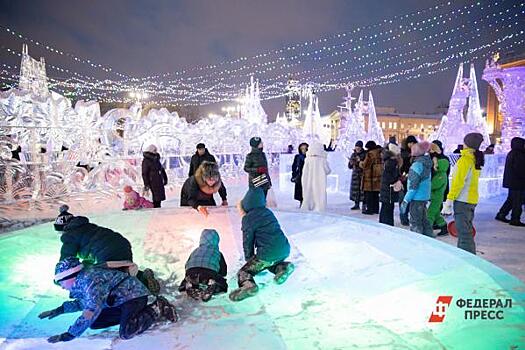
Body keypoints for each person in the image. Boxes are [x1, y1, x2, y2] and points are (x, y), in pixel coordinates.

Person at [39, 257, 176, 343]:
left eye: (61, 282)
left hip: (133, 296)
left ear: (69, 277)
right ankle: (129, 317)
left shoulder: (89, 281)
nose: (61, 286)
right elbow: (84, 303)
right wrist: (60, 310)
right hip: (119, 300)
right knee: (94, 324)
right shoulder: (82, 280)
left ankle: (158, 307)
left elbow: (90, 310)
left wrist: (69, 334)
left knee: (126, 332)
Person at [54, 205, 160, 294]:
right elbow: (92, 247)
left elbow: (66, 259)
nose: (61, 235)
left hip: (107, 252)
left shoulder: (70, 236)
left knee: (111, 280)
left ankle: (140, 288)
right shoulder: (86, 227)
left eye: (60, 232)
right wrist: (85, 265)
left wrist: (60, 277)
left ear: (64, 228)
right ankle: (143, 277)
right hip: (121, 243)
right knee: (121, 270)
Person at [229, 188, 294, 302]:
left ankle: (248, 285)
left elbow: (247, 240)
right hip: (284, 249)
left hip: (267, 253)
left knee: (244, 272)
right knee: (269, 262)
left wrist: (249, 258)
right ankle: (282, 267)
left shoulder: (248, 218)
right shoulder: (268, 212)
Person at [442, 133, 485, 254]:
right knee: (466, 231)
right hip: (471, 200)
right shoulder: (475, 159)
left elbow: (457, 184)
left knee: (464, 234)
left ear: (467, 144)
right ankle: (465, 257)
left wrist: (449, 201)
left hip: (462, 201)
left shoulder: (465, 160)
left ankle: (468, 260)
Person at [178, 229, 228, 302]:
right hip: (209, 272)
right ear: (216, 241)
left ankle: (187, 285)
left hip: (191, 271)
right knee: (223, 284)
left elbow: (187, 265)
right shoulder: (217, 253)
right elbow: (224, 272)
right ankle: (212, 285)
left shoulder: (195, 251)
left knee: (191, 278)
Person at [400, 141, 434, 237]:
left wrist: (406, 200)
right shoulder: (426, 163)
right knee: (424, 220)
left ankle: (417, 242)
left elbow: (413, 186)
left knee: (415, 222)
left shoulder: (416, 166)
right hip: (424, 196)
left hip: (416, 197)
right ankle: (429, 239)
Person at [495, 137, 525, 226]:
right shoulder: (519, 154)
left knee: (512, 199)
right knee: (517, 201)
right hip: (517, 182)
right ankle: (515, 219)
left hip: (512, 181)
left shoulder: (513, 153)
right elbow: (520, 169)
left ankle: (501, 214)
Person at [427, 141, 451, 236]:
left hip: (436, 196)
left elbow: (434, 185)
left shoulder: (441, 175)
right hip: (435, 196)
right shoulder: (440, 173)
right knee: (436, 214)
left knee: (430, 213)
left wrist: (427, 186)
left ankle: (427, 229)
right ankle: (444, 227)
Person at [301, 142, 331, 212]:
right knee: (319, 194)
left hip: (308, 180)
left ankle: (308, 206)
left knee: (308, 193)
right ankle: (319, 207)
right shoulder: (323, 160)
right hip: (320, 181)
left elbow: (304, 171)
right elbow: (328, 171)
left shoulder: (308, 159)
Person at [379, 143, 402, 226]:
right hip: (389, 189)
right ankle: (387, 224)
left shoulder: (388, 161)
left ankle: (385, 223)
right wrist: (398, 179)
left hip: (386, 188)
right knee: (388, 207)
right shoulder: (391, 162)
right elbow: (389, 176)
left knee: (386, 206)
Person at [360, 141, 383, 215]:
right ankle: (376, 209)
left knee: (369, 195)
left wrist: (360, 162)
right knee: (376, 194)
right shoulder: (380, 153)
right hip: (378, 177)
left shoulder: (370, 154)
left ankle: (370, 210)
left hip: (370, 177)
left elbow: (365, 165)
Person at [399, 136, 418, 225]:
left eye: (413, 143)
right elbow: (402, 166)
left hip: (413, 178)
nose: (411, 145)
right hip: (405, 178)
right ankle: (403, 217)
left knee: (412, 199)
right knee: (404, 199)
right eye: (409, 143)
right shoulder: (404, 153)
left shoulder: (417, 153)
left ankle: (410, 217)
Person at [348, 141, 366, 210]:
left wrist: (359, 160)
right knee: (355, 190)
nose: (357, 148)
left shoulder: (364, 154)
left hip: (362, 174)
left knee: (362, 190)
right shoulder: (353, 154)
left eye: (359, 147)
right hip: (355, 174)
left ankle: (364, 204)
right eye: (356, 147)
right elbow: (349, 166)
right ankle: (356, 204)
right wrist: (351, 162)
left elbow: (365, 164)